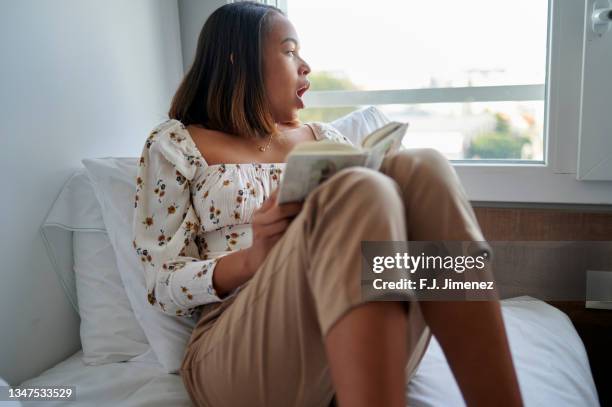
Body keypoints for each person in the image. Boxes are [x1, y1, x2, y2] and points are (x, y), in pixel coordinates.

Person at [131, 2, 523, 406]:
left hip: (359, 333)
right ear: (238, 60)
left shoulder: (326, 139)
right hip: (238, 342)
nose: (305, 66)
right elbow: (162, 283)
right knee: (360, 191)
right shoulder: (177, 143)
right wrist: (253, 259)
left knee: (423, 166)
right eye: (289, 51)